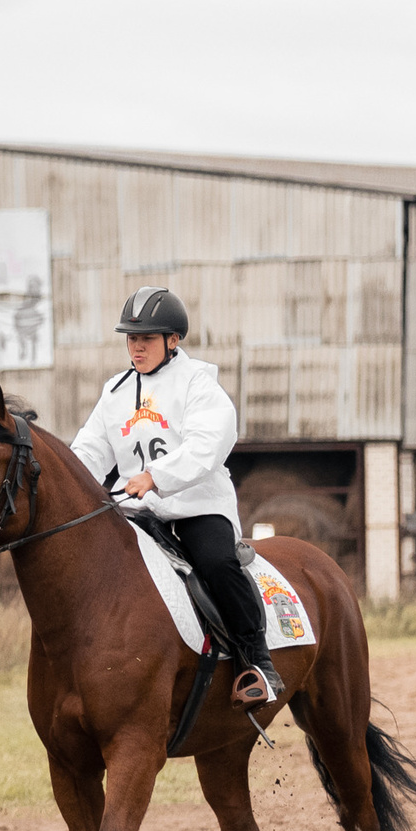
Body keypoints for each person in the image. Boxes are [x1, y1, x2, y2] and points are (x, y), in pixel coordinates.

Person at [71, 286, 280, 706]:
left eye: (146, 339)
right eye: (131, 339)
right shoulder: (114, 393)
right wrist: (72, 486)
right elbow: (89, 452)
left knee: (216, 562)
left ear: (173, 340)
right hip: (136, 511)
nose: (137, 348)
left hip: (196, 506)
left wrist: (156, 476)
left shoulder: (199, 384)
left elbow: (208, 444)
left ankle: (256, 662)